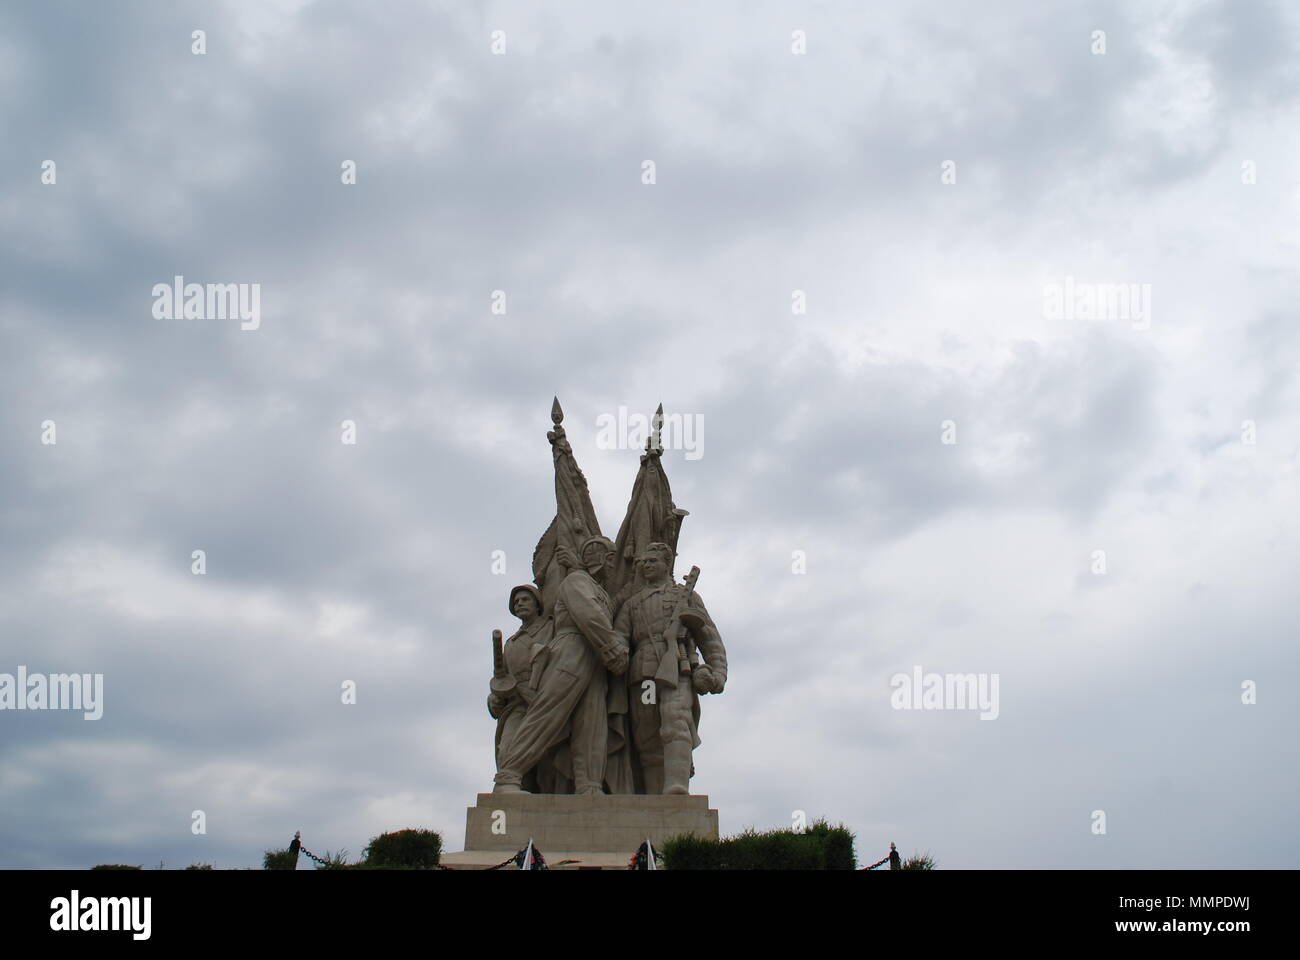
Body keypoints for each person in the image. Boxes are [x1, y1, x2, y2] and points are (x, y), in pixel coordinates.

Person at [493, 536, 628, 794]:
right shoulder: (577, 581)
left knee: (592, 722)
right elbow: (589, 615)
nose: (609, 561)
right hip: (572, 648)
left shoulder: (601, 591)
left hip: (595, 657)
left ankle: (589, 786)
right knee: (547, 712)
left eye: (608, 554)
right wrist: (612, 647)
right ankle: (509, 776)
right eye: (599, 554)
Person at [614, 542, 726, 794]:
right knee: (647, 732)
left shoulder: (685, 596)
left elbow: (709, 638)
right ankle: (655, 797)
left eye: (653, 561)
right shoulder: (632, 604)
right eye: (643, 562)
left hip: (678, 668)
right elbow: (620, 636)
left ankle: (676, 787)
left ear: (667, 564)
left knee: (676, 720)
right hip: (644, 675)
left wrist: (718, 673)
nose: (646, 565)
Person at [488, 584, 559, 792]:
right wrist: (495, 697)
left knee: (547, 759)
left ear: (538, 605)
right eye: (516, 602)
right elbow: (503, 677)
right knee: (507, 747)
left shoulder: (552, 628)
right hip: (518, 703)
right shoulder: (510, 642)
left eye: (525, 600)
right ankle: (508, 786)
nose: (519, 604)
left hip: (546, 698)